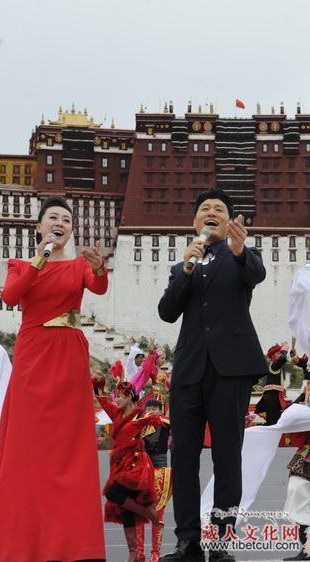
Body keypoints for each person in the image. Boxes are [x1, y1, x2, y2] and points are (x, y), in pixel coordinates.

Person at [0, 196, 108, 562]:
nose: (60, 223)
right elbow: (11, 296)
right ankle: (22, 542)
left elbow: (98, 287)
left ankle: (71, 543)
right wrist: (40, 258)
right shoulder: (20, 265)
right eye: (53, 217)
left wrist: (100, 269)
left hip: (69, 355)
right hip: (33, 354)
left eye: (66, 219)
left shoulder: (79, 265)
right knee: (28, 448)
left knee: (69, 449)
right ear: (39, 227)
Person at [158, 188, 267, 562]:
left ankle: (221, 539)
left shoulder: (241, 256)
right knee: (183, 457)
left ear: (229, 220)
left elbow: (256, 274)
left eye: (219, 209)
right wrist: (186, 268)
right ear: (194, 221)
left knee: (227, 456)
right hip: (189, 371)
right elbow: (167, 312)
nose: (211, 212)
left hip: (231, 370)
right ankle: (188, 540)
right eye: (204, 208)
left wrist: (239, 250)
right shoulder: (182, 267)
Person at [92, 374, 162, 562]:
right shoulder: (116, 414)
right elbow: (102, 399)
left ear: (130, 396)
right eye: (116, 396)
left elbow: (156, 420)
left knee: (112, 492)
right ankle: (134, 554)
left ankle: (148, 513)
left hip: (135, 464)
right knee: (126, 510)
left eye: (121, 396)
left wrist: (155, 420)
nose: (117, 400)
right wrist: (98, 384)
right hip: (119, 465)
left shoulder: (140, 414)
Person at [136, 399, 172, 562]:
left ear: (160, 410)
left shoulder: (164, 423)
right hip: (141, 473)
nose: (150, 410)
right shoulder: (139, 425)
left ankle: (155, 552)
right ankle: (139, 553)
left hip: (159, 473)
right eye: (148, 408)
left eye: (154, 408)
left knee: (158, 514)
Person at [255, 341, 289, 425]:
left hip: (273, 396)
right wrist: (285, 347)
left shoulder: (275, 366)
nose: (280, 354)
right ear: (273, 355)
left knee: (274, 420)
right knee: (273, 421)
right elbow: (283, 358)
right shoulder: (274, 366)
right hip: (272, 397)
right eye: (278, 353)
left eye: (280, 353)